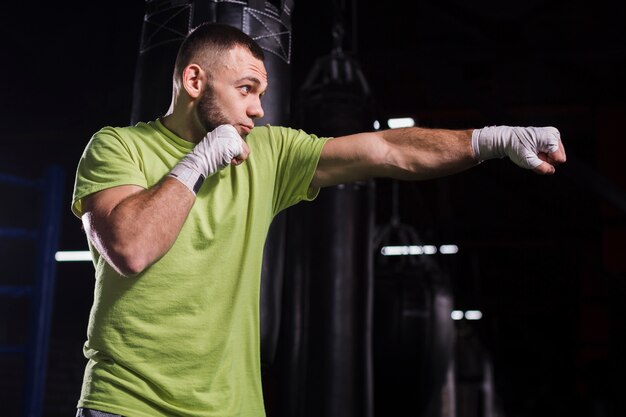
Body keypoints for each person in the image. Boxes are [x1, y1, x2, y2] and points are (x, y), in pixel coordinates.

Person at [71, 23, 565, 417]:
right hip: (127, 404)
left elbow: (386, 149)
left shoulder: (268, 153)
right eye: (245, 89)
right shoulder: (119, 146)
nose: (259, 109)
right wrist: (197, 162)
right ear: (194, 81)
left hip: (230, 407)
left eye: (262, 93)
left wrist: (492, 140)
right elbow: (130, 247)